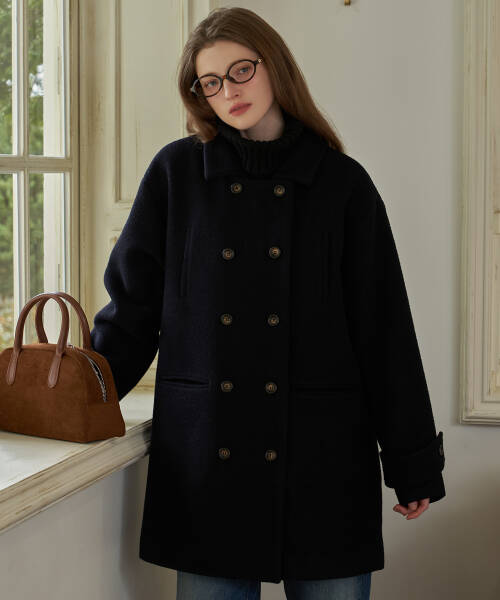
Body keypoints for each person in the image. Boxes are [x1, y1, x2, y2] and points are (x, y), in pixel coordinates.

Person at [90, 6, 446, 600]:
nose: (228, 91)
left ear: (275, 66)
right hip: (209, 457)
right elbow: (132, 312)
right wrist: (78, 400)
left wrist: (413, 463)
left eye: (241, 71)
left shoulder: (343, 184)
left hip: (322, 457)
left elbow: (385, 331)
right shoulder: (177, 174)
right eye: (210, 82)